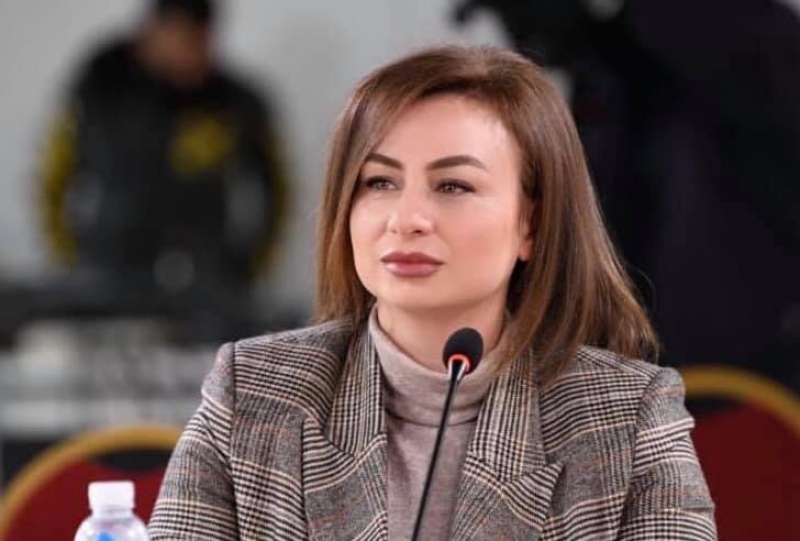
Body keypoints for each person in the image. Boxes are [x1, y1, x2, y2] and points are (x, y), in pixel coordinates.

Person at [149, 45, 715, 540]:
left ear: (532, 224)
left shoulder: (627, 417)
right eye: (379, 182)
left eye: (453, 186)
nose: (406, 218)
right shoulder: (252, 393)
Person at [39, 0, 287, 303]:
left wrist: (249, 268)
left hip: (208, 281)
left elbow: (276, 190)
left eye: (203, 41)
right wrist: (69, 259)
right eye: (184, 41)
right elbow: (52, 178)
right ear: (153, 34)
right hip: (108, 276)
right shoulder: (100, 91)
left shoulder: (234, 103)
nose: (196, 55)